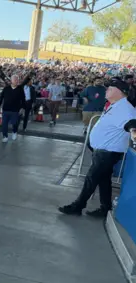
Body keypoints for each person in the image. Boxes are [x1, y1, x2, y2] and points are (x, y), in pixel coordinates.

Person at [59, 78, 136, 218]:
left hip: (108, 152)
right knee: (103, 179)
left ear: (119, 92)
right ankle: (105, 208)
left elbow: (131, 123)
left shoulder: (125, 109)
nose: (106, 90)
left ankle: (78, 205)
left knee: (91, 178)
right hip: (102, 151)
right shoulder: (115, 105)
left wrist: (133, 131)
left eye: (110, 88)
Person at [0, 73, 31, 142]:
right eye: (15, 80)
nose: (17, 81)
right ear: (11, 80)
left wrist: (22, 108)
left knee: (15, 123)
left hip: (15, 110)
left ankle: (14, 132)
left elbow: (23, 99)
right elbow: (1, 97)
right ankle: (5, 136)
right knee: (4, 123)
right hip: (6, 109)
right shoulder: (6, 88)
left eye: (17, 80)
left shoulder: (20, 89)